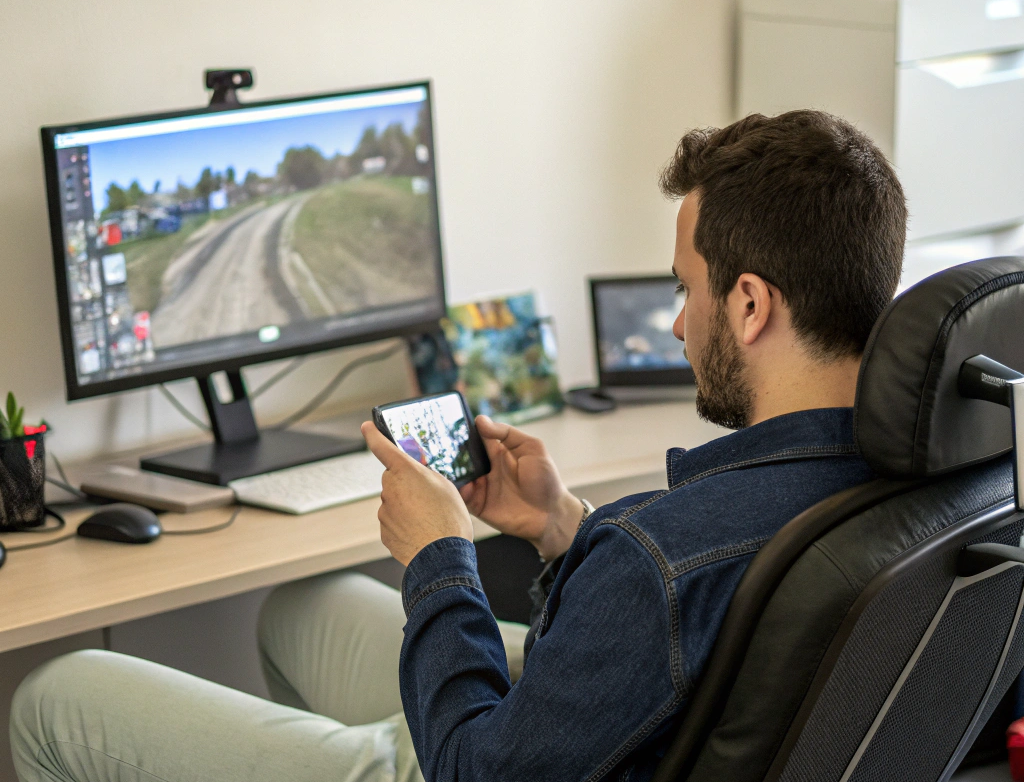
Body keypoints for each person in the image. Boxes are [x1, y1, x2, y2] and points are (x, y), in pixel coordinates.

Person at [10, 109, 906, 782]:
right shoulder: (928, 477)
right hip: (602, 732)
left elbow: (476, 766)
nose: (676, 324)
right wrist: (563, 528)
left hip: (476, 762)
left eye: (688, 289)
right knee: (302, 605)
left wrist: (440, 556)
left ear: (750, 305)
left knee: (59, 691)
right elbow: (683, 629)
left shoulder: (659, 562)